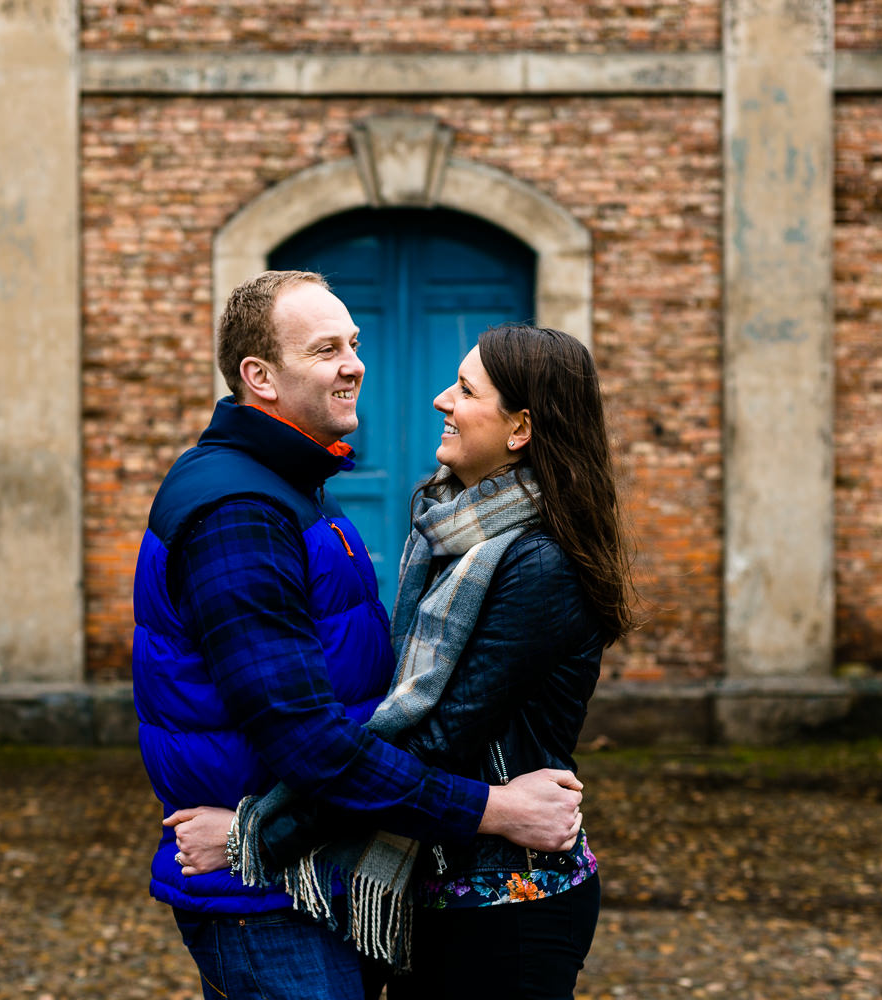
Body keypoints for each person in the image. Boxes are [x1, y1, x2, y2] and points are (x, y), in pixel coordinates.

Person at [132, 272, 586, 1000]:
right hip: (268, 902)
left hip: (302, 882)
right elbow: (311, 742)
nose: (355, 364)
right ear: (260, 377)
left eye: (355, 342)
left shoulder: (292, 487)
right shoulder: (242, 513)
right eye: (325, 350)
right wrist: (495, 810)